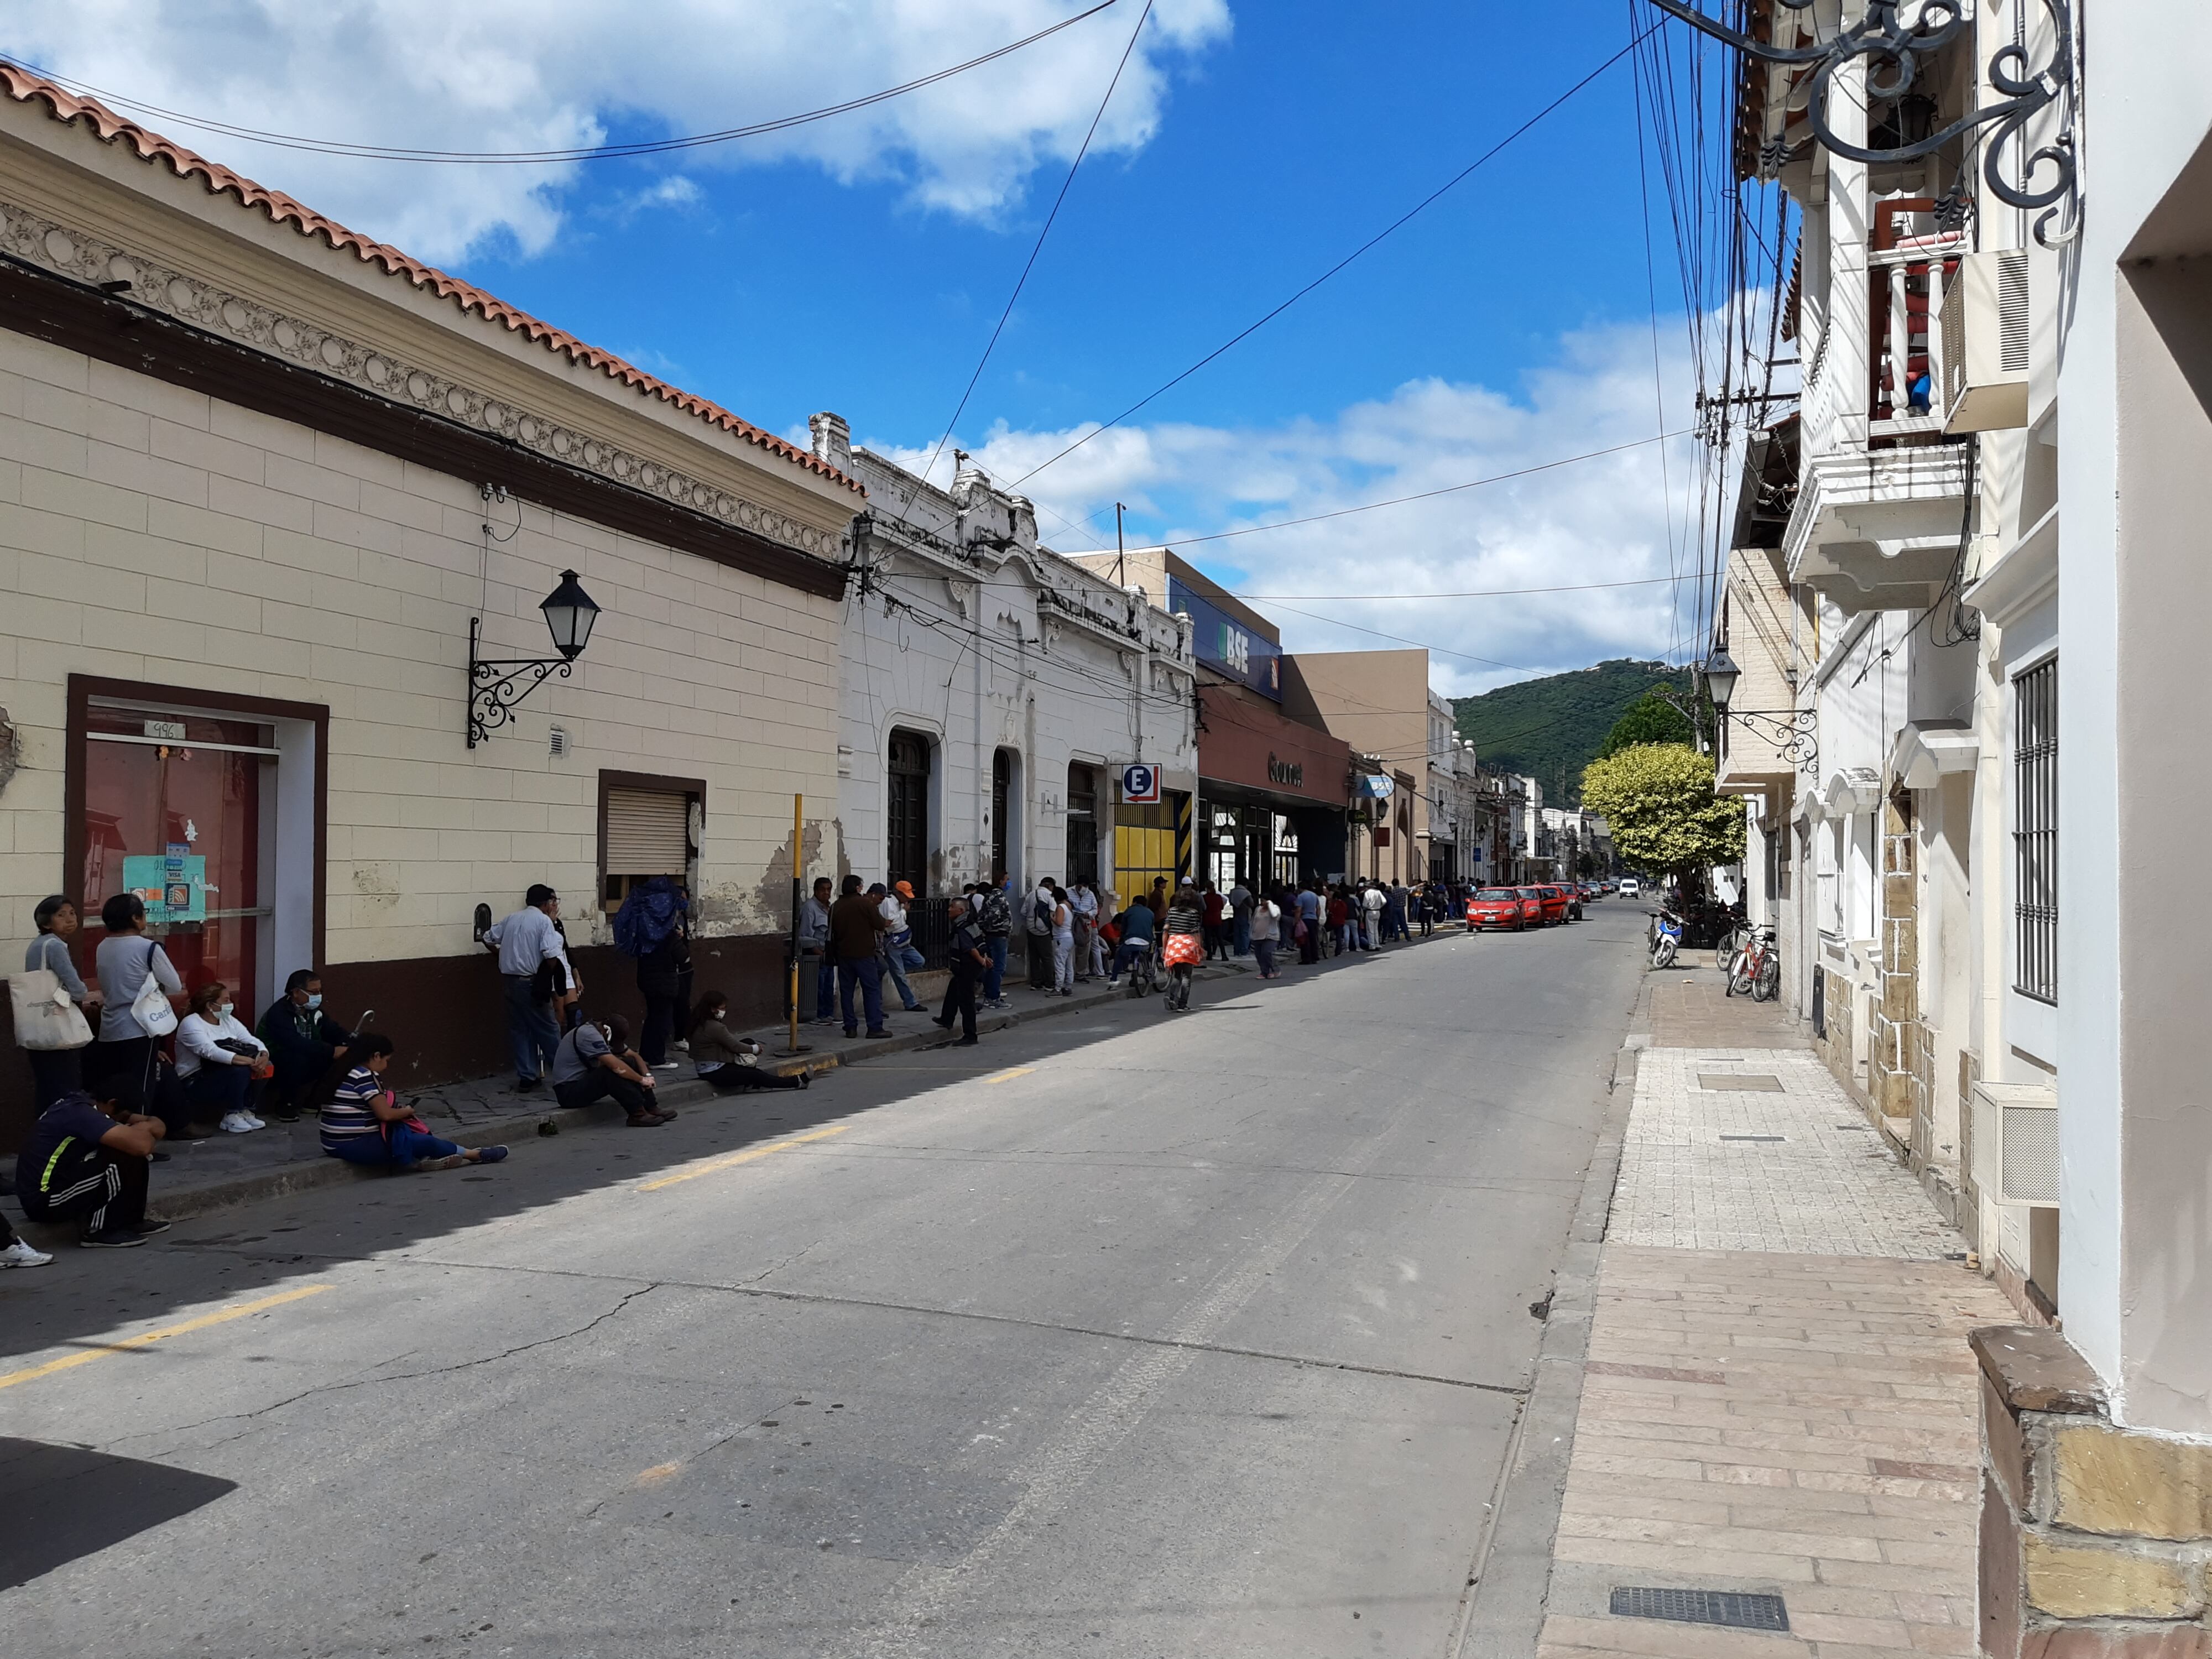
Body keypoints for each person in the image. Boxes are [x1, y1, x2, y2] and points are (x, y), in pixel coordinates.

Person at [321, 1033, 507, 1168]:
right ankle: (476, 1154)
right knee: (424, 1141)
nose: (386, 1066)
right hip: (352, 1143)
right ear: (376, 1056)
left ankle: (425, 1160)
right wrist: (407, 1111)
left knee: (410, 1138)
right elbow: (385, 1114)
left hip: (332, 1142)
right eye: (386, 1060)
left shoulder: (344, 1070)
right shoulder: (364, 1076)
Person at [14, 1083, 169, 1247]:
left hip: (65, 1179)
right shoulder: (82, 1114)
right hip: (44, 1200)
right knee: (115, 1162)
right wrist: (142, 1131)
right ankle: (100, 1231)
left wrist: (141, 1129)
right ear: (112, 1103)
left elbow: (158, 1126)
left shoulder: (90, 1105)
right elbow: (142, 1145)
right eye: (123, 1116)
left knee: (128, 1153)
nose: (123, 1121)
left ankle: (130, 1220)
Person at [91, 893, 191, 1131]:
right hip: (140, 1027)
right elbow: (175, 984)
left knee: (116, 1088)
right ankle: (141, 1143)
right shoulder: (148, 948)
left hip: (110, 1026)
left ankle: (113, 1136)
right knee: (141, 1087)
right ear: (136, 918)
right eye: (143, 913)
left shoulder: (103, 947)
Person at [483, 885, 568, 1091]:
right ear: (546, 904)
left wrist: (500, 956)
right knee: (548, 1028)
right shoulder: (544, 922)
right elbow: (550, 954)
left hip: (510, 981)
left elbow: (487, 938)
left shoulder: (512, 918)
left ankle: (527, 1075)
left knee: (520, 1029)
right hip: (531, 982)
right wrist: (545, 975)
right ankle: (565, 1074)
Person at [22, 894, 100, 1110]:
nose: (70, 919)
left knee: (47, 1084)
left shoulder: (38, 944)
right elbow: (75, 986)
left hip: (38, 1021)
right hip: (56, 1023)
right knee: (63, 1083)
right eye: (61, 915)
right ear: (46, 922)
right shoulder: (54, 945)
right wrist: (83, 992)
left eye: (73, 913)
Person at [255, 969, 352, 1123]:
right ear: (296, 992)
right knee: (296, 1058)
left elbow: (333, 1030)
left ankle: (314, 1102)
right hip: (278, 1061)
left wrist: (349, 1043)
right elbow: (293, 1043)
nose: (318, 996)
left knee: (341, 1057)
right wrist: (331, 1051)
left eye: (320, 991)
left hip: (308, 1056)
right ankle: (286, 1105)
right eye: (314, 992)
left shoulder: (315, 1012)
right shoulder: (279, 1013)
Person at [614, 875, 690, 1069]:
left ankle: (647, 1053)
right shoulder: (668, 935)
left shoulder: (646, 930)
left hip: (647, 980)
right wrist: (679, 938)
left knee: (653, 1018)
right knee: (662, 1021)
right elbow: (683, 957)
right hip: (664, 983)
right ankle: (656, 1058)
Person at [176, 981, 270, 1135]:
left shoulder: (228, 1020)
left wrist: (264, 1055)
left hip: (219, 1073)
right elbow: (210, 1051)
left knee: (266, 1066)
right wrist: (249, 1061)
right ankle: (232, 1113)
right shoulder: (191, 1023)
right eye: (226, 1000)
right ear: (210, 1005)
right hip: (195, 1080)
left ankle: (245, 1109)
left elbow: (251, 1039)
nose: (231, 1004)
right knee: (240, 1070)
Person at [551, 1015, 674, 1126]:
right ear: (606, 1031)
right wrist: (641, 1080)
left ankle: (651, 1106)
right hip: (569, 1092)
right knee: (610, 1072)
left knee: (629, 1062)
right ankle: (638, 1114)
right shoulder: (589, 1035)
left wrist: (648, 1076)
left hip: (583, 1083)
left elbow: (635, 1057)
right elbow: (615, 1066)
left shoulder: (602, 1032)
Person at [687, 992, 811, 1092]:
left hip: (711, 1063)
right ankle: (797, 1082)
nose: (724, 1011)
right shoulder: (714, 1027)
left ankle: (750, 1084)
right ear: (713, 1009)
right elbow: (734, 1045)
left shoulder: (701, 1021)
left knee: (748, 1042)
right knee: (756, 1074)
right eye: (722, 1008)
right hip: (713, 1070)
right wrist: (755, 1049)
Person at [831, 874, 892, 1039]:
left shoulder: (836, 906)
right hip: (864, 954)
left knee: (846, 992)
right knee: (871, 991)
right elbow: (879, 925)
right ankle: (874, 1027)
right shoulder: (865, 904)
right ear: (857, 888)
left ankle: (850, 1027)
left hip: (844, 954)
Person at [931, 895, 988, 1046]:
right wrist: (984, 959)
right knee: (953, 987)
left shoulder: (962, 927)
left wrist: (982, 961)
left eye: (952, 907)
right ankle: (947, 1019)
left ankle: (970, 1035)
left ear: (961, 910)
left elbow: (970, 948)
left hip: (967, 967)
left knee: (966, 1001)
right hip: (970, 966)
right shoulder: (969, 923)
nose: (949, 909)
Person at [877, 881, 927, 1014]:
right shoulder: (889, 903)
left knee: (919, 961)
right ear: (898, 893)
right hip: (893, 941)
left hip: (904, 942)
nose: (908, 899)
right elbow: (892, 923)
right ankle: (911, 1003)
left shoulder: (899, 903)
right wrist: (904, 912)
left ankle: (895, 969)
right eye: (905, 895)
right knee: (900, 975)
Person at [1160, 880, 1205, 1013]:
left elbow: (1166, 931)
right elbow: (1196, 932)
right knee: (1187, 976)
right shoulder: (1193, 913)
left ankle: (1172, 996)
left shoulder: (1172, 912)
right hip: (1187, 944)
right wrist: (1199, 948)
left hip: (1173, 944)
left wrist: (1164, 949)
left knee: (1177, 974)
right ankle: (1182, 1004)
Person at [799, 876, 836, 1025]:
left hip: (828, 954)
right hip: (816, 954)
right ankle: (818, 1015)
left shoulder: (829, 907)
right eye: (823, 890)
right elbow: (805, 935)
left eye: (829, 890)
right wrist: (818, 953)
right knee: (818, 987)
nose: (826, 893)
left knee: (828, 986)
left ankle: (828, 1014)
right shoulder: (810, 908)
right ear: (816, 891)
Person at [977, 873, 1013, 1009]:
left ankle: (990, 996)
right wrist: (993, 926)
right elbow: (993, 915)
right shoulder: (998, 896)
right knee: (998, 967)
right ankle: (993, 997)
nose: (1009, 882)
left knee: (991, 966)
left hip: (993, 935)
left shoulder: (990, 895)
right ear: (1001, 881)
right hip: (998, 935)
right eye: (1007, 880)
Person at [1107, 891, 1155, 987]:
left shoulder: (1129, 911)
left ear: (1135, 902)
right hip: (1146, 942)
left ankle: (1114, 980)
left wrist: (1122, 940)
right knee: (1139, 952)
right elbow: (1151, 928)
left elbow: (1124, 929)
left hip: (1130, 941)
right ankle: (1137, 975)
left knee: (1119, 954)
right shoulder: (1150, 913)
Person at [1025, 878, 1058, 991]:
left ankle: (1036, 982)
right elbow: (1053, 912)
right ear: (1050, 886)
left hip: (1031, 929)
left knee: (1034, 957)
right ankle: (1050, 982)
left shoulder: (1030, 895)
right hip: (1044, 931)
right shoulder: (1050, 896)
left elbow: (1023, 911)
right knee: (1047, 958)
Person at [1069, 880, 1100, 980]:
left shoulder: (1090, 894)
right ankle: (1070, 973)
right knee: (1071, 948)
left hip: (1086, 923)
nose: (1085, 888)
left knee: (1085, 948)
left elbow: (1095, 909)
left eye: (1087, 886)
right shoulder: (1068, 892)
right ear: (1078, 885)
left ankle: (1081, 973)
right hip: (1072, 922)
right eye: (1084, 885)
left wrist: (1089, 914)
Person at [1048, 883, 1076, 997]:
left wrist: (1052, 918)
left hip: (1061, 938)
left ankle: (1058, 988)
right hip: (1069, 937)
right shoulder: (1069, 906)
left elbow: (1059, 922)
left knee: (1059, 963)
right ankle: (1068, 987)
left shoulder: (1060, 907)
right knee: (1069, 964)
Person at [1249, 887, 1281, 980]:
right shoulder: (1258, 909)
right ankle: (1264, 972)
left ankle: (1274, 969)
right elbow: (1254, 921)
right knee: (1259, 955)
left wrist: (1270, 905)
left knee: (1267, 953)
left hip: (1270, 936)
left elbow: (1275, 916)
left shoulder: (1275, 908)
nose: (1262, 903)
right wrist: (1251, 932)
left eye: (1264, 901)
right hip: (1258, 936)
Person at [1296, 882, 1322, 966]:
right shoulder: (1314, 896)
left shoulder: (1301, 897)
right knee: (1313, 939)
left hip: (1305, 919)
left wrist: (1296, 921)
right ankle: (1314, 957)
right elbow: (1318, 908)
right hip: (1313, 919)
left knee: (1304, 940)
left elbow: (1299, 910)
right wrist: (1317, 918)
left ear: (1300, 888)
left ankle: (1306, 958)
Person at [1201, 883, 1228, 961]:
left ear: (1207, 889)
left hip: (1207, 921)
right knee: (1219, 938)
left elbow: (1204, 908)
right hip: (1217, 920)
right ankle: (1224, 955)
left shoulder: (1205, 898)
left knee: (1208, 938)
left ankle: (1209, 955)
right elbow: (1222, 907)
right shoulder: (1218, 897)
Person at [1228, 878, 1254, 957]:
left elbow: (1230, 902)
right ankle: (1244, 951)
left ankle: (1236, 951)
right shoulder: (1246, 893)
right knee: (1245, 934)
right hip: (1245, 914)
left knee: (1237, 934)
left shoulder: (1232, 891)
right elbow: (1251, 904)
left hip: (1236, 914)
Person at [1362, 881, 1386, 951]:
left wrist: (1367, 907)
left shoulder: (1367, 893)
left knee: (1370, 930)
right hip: (1378, 911)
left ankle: (1372, 945)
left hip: (1370, 911)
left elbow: (1365, 904)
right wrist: (1379, 907)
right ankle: (1377, 944)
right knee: (1376, 929)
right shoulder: (1378, 892)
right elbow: (1384, 901)